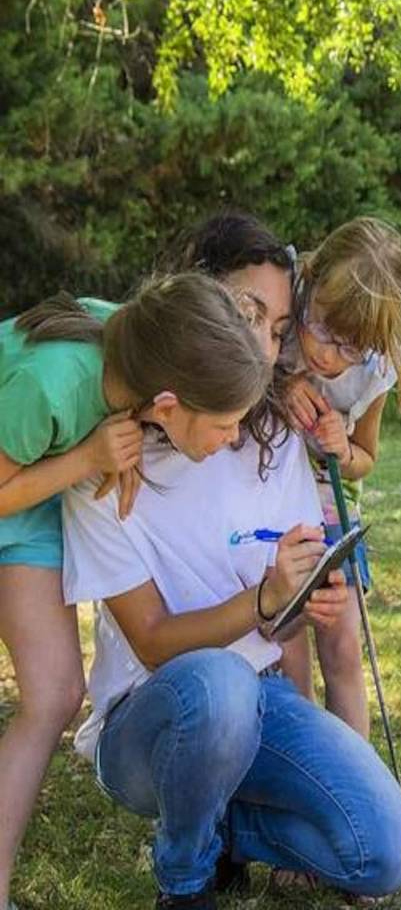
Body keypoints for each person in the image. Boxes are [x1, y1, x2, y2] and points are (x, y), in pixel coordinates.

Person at [61, 214, 401, 909]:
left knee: (386, 852)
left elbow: (276, 631)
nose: (264, 348)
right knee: (220, 686)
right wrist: (261, 600)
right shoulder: (109, 460)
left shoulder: (276, 435)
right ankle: (186, 877)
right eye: (249, 315)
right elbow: (155, 641)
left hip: (258, 699)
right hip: (147, 723)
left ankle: (227, 826)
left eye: (278, 330)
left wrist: (300, 600)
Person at [0, 273, 266, 910]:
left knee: (57, 692)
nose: (235, 437)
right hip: (16, 476)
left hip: (37, 484)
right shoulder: (51, 383)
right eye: (227, 424)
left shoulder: (153, 342)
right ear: (168, 404)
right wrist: (90, 457)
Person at [277, 216, 401, 737]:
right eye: (319, 328)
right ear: (311, 280)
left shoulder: (376, 368)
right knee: (286, 644)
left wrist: (343, 444)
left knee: (341, 649)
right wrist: (281, 386)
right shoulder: (278, 306)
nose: (325, 354)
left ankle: (354, 776)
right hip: (273, 513)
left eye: (348, 348)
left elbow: (365, 457)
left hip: (332, 513)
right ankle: (297, 768)